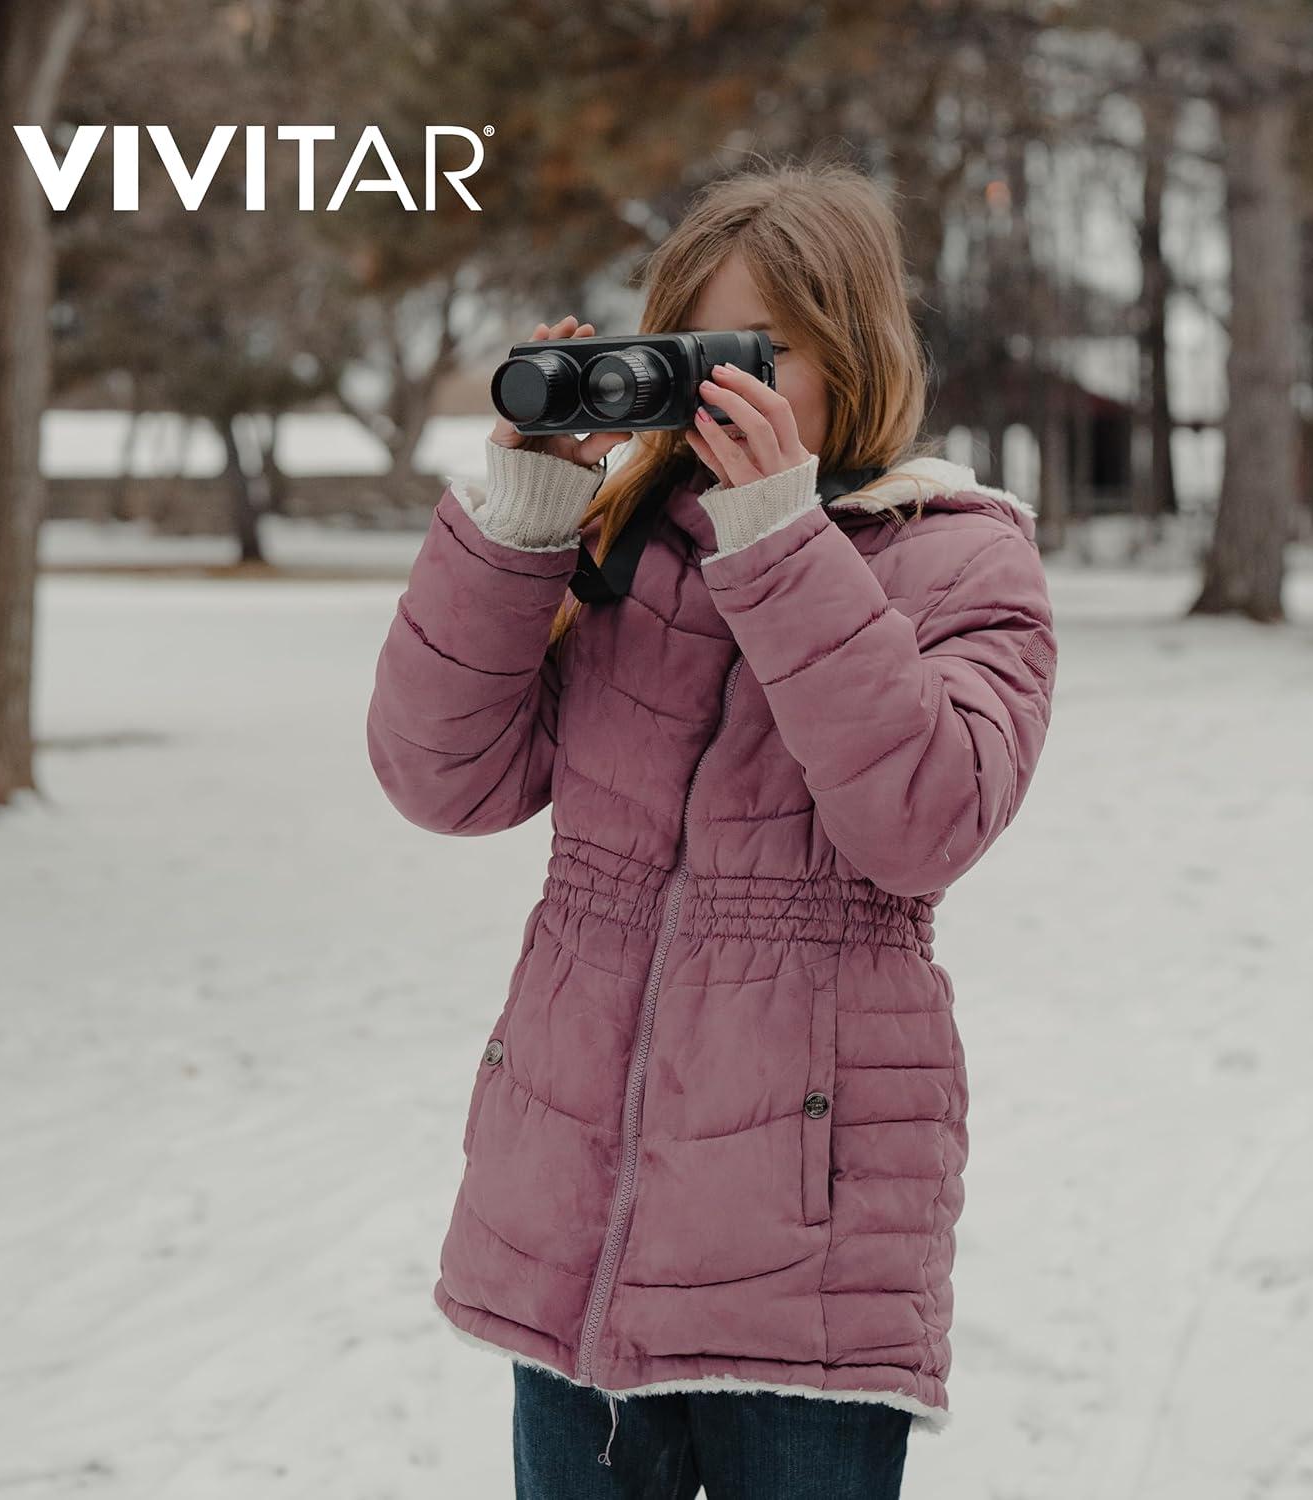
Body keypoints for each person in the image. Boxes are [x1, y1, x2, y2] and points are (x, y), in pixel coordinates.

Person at [366, 156, 1059, 1499]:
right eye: (685, 352)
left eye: (752, 354)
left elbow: (925, 819)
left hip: (806, 1266)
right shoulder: (626, 552)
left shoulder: (963, 559)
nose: (709, 392)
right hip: (579, 1232)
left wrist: (778, 538)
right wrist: (522, 521)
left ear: (849, 356)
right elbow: (439, 778)